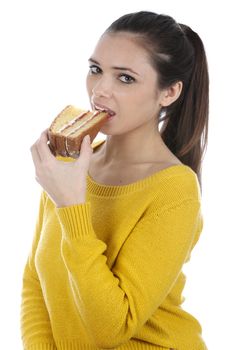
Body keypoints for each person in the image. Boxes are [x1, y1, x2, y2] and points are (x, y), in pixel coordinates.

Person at [20, 10, 209, 350]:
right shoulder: (72, 162)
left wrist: (72, 205)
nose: (100, 90)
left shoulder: (175, 190)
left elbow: (110, 329)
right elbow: (35, 281)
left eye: (125, 79)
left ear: (169, 92)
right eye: (95, 70)